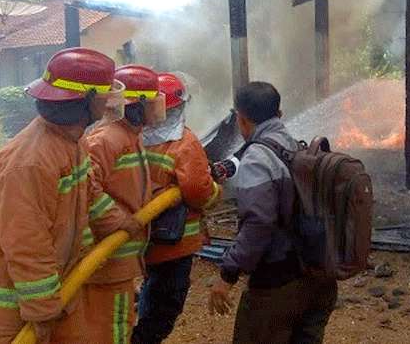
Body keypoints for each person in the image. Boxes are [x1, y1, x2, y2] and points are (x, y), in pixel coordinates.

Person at [0, 48, 138, 343]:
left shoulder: (71, 141)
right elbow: (27, 242)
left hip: (49, 293)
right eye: (104, 93)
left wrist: (120, 221)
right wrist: (42, 310)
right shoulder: (31, 162)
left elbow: (89, 193)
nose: (110, 101)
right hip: (11, 308)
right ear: (85, 99)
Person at [209, 82, 338, 344]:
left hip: (279, 284)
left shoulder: (258, 159)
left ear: (241, 119)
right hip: (320, 278)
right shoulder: (297, 146)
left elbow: (258, 223)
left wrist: (228, 275)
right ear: (279, 114)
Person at [132, 73, 222, 344]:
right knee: (165, 305)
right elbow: (198, 191)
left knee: (151, 290)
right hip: (174, 244)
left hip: (137, 241)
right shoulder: (184, 143)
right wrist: (215, 191)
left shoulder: (131, 138)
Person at [82, 64, 164, 344]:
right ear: (136, 105)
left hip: (121, 259)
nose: (158, 110)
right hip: (108, 260)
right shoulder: (106, 139)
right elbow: (86, 187)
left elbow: (125, 185)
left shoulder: (131, 137)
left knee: (120, 323)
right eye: (153, 102)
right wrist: (120, 220)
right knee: (113, 329)